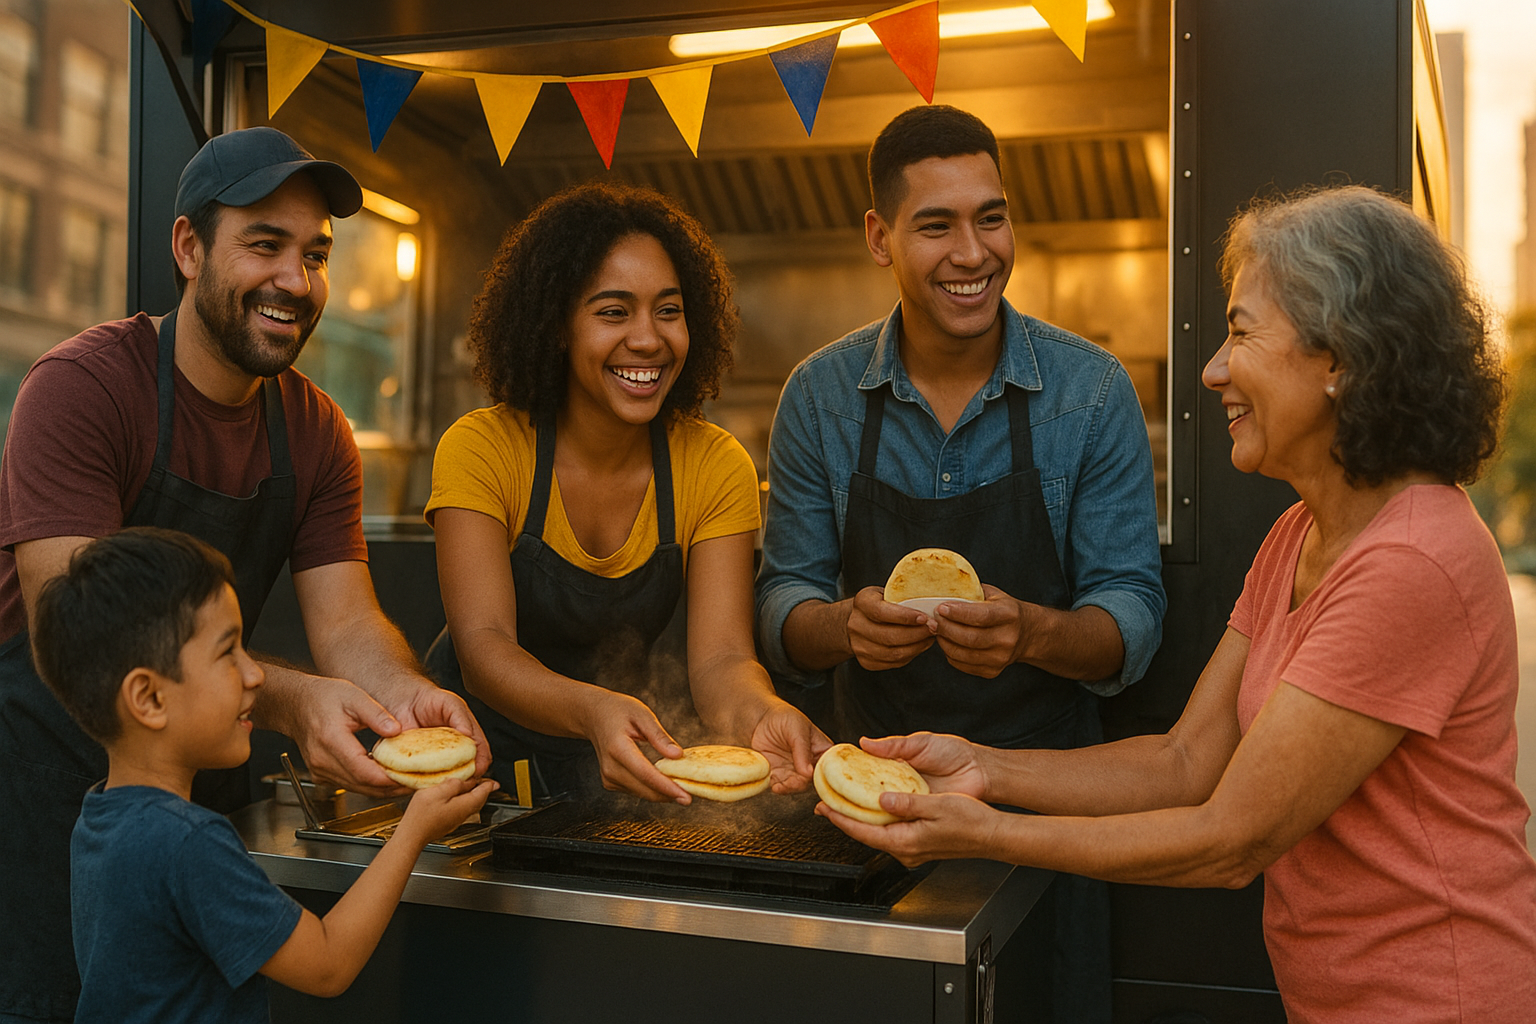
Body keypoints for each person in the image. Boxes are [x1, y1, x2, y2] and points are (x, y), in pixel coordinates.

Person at [822, 186, 1536, 1023]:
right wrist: (982, 768)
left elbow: (1232, 838)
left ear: (1340, 358)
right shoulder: (1298, 536)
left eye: (1241, 331)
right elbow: (1184, 764)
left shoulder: (1411, 560)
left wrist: (980, 832)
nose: (1213, 369)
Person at [0, 126, 487, 1023]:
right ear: (188, 248)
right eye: (264, 245)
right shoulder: (80, 389)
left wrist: (403, 704)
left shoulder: (317, 431)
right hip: (34, 799)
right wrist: (296, 703)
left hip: (191, 797)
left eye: (315, 255)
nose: (296, 283)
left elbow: (347, 627)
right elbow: (84, 637)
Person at [755, 104, 1165, 1022]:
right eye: (935, 225)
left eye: (990, 217)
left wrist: (1033, 634)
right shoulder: (819, 397)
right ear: (879, 236)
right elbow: (782, 604)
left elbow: (1132, 619)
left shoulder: (1090, 392)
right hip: (869, 801)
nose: (973, 252)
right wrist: (844, 626)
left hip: (1045, 820)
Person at [426, 180, 827, 803]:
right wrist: (593, 710)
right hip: (468, 768)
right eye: (614, 312)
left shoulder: (715, 464)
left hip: (620, 770)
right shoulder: (483, 448)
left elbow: (722, 660)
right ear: (556, 326)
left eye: (669, 310)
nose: (648, 339)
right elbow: (484, 649)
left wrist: (760, 714)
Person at [30, 527, 495, 1024]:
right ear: (148, 698)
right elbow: (328, 965)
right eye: (228, 653)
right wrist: (414, 830)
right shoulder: (189, 843)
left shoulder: (99, 817)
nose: (255, 675)